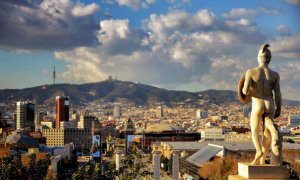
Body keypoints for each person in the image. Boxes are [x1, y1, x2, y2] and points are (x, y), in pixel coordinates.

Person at [241, 44, 282, 165]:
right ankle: (264, 156)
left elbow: (245, 91)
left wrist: (247, 91)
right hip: (269, 103)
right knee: (268, 128)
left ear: (259, 58)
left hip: (257, 104)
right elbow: (278, 94)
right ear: (269, 59)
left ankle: (259, 151)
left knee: (254, 130)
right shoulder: (275, 75)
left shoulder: (251, 72)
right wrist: (279, 108)